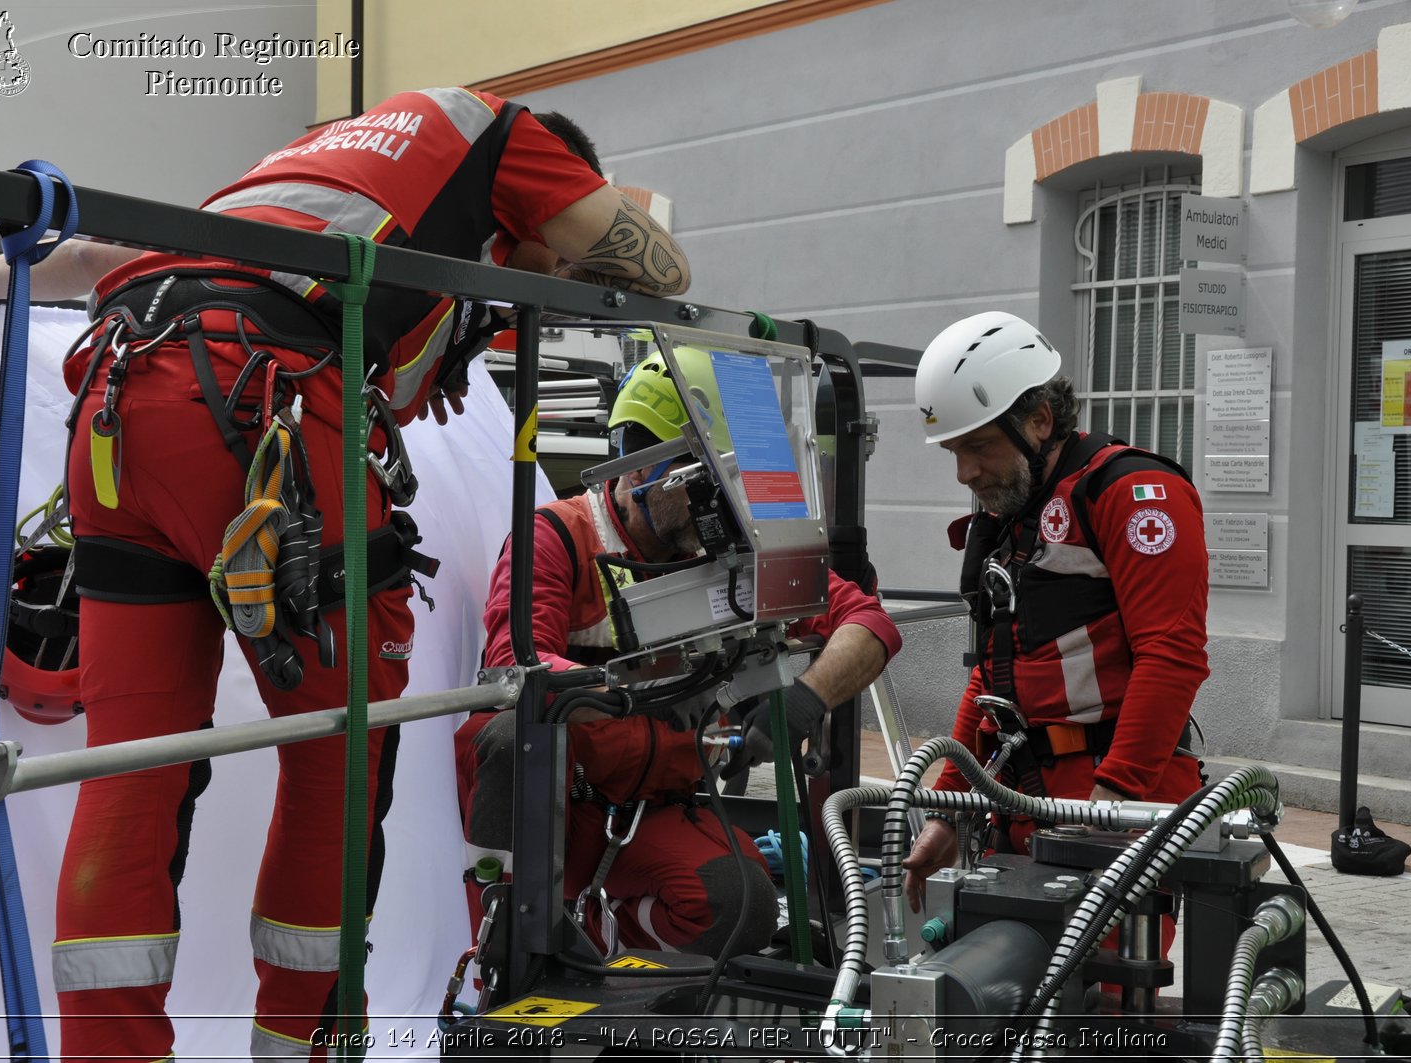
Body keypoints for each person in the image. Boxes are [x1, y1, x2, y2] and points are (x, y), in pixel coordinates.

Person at [46, 88, 690, 1063]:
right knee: (340, 761)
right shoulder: (497, 134)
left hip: (115, 398)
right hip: (260, 402)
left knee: (130, 764)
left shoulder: (320, 163)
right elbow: (667, 265)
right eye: (540, 254)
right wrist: (565, 236)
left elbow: (110, 261)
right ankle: (304, 1046)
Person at [456, 348, 901, 958]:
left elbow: (869, 622)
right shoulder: (555, 538)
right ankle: (503, 948)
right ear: (641, 470)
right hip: (555, 809)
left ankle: (603, 949)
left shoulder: (724, 547)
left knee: (741, 904)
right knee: (508, 732)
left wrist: (807, 696)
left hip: (652, 811)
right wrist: (644, 701)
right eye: (705, 482)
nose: (722, 504)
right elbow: (516, 669)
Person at [901, 311, 1208, 912]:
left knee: (1106, 991)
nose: (965, 472)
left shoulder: (1132, 494)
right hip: (1022, 791)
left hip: (1113, 783)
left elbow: (1172, 656)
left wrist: (1109, 802)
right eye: (954, 452)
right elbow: (994, 672)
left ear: (1039, 421)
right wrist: (950, 809)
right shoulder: (1009, 513)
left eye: (980, 446)